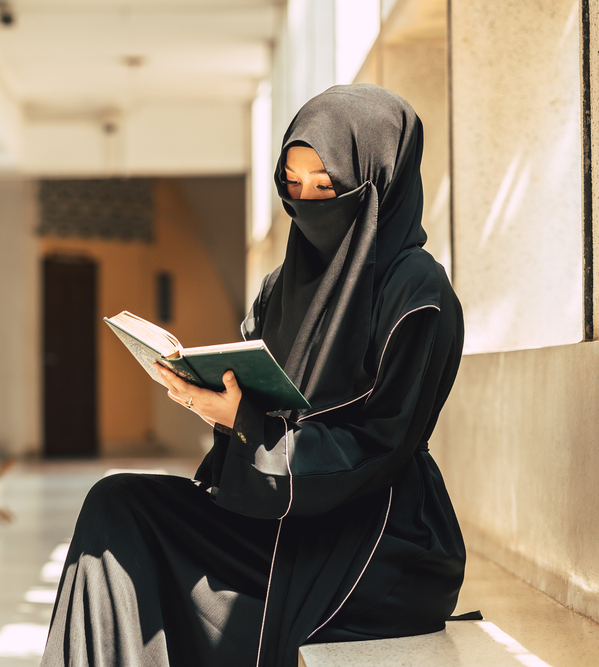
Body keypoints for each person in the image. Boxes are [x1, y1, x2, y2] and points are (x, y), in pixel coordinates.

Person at [40, 83, 466, 667]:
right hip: (276, 504)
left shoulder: (417, 293)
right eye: (292, 185)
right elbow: (258, 410)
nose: (307, 202)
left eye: (326, 185)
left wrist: (245, 422)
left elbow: (380, 445)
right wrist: (215, 401)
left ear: (380, 183)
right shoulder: (279, 288)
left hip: (376, 535)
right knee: (118, 505)